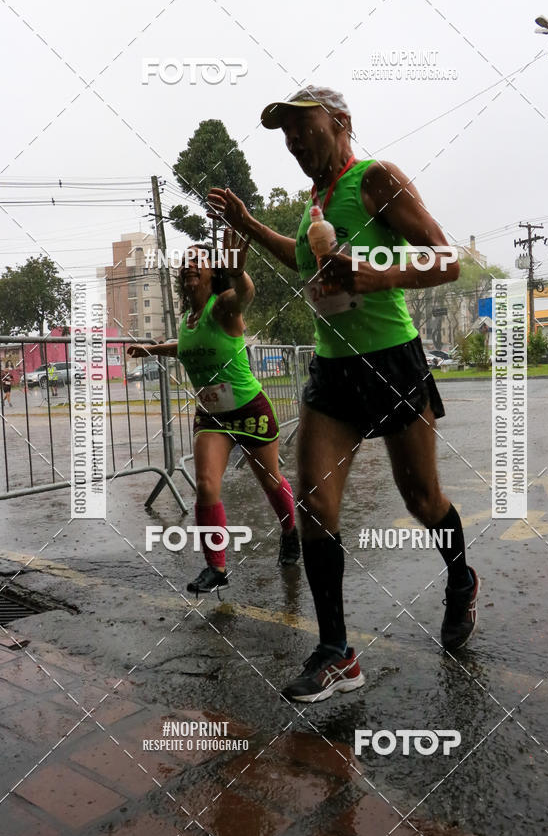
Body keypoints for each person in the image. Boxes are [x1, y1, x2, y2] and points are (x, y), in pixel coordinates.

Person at [207, 85, 478, 702]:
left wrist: (383, 276)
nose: (293, 141)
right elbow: (304, 263)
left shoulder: (376, 179)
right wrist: (249, 225)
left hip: (392, 363)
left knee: (423, 500)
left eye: (303, 127)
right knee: (314, 507)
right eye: (286, 134)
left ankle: (461, 579)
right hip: (332, 373)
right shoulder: (314, 204)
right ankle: (336, 652)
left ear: (340, 122)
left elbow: (445, 259)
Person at [127, 229, 300, 595]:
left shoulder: (222, 307)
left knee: (270, 480)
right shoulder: (188, 319)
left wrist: (238, 272)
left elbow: (245, 294)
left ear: (212, 271)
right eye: (184, 261)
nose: (189, 265)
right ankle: (216, 567)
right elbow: (183, 346)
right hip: (213, 416)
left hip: (249, 409)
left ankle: (290, 531)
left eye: (198, 260)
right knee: (206, 485)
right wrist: (151, 350)